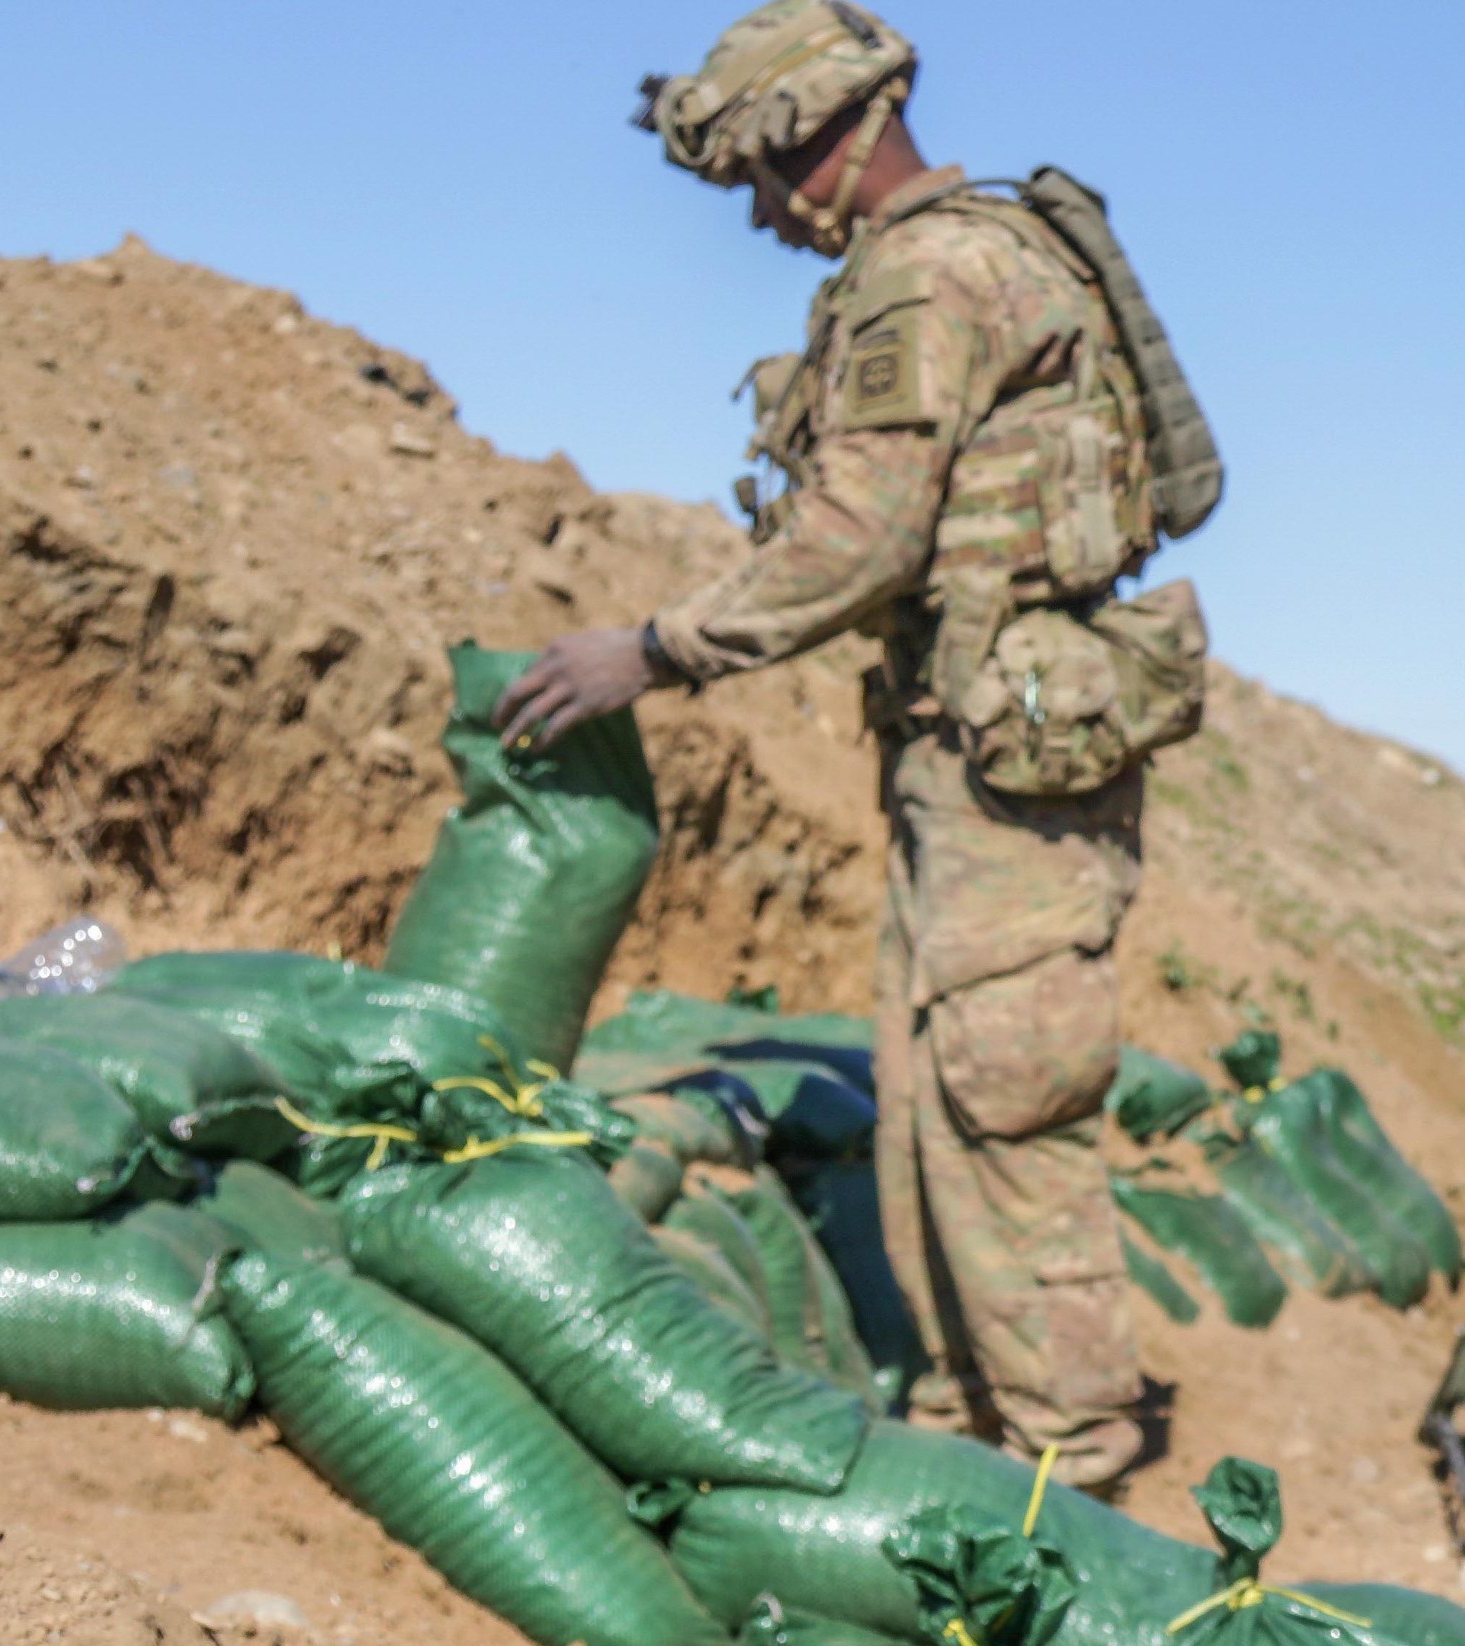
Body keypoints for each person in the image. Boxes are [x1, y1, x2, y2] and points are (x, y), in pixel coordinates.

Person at [497, 0, 1206, 1494]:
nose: (759, 215)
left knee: (1002, 1092)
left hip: (1009, 765)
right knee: (940, 1077)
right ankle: (996, 1430)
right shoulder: (976, 253)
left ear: (838, 134)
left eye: (763, 175)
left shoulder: (932, 273)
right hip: (985, 749)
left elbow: (859, 536)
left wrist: (652, 649)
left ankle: (1069, 1456)